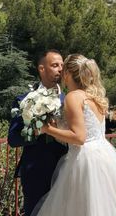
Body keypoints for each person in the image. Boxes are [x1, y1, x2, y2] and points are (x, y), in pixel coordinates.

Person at [34, 54, 116, 216]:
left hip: (84, 159)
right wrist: (57, 128)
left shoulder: (73, 97)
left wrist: (46, 129)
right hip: (104, 155)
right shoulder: (95, 97)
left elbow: (79, 137)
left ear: (68, 73)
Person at [8, 50, 68, 216]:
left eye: (62, 65)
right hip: (36, 171)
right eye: (55, 65)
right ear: (42, 69)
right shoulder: (23, 100)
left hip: (67, 169)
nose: (60, 69)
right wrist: (39, 130)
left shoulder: (70, 100)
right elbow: (13, 139)